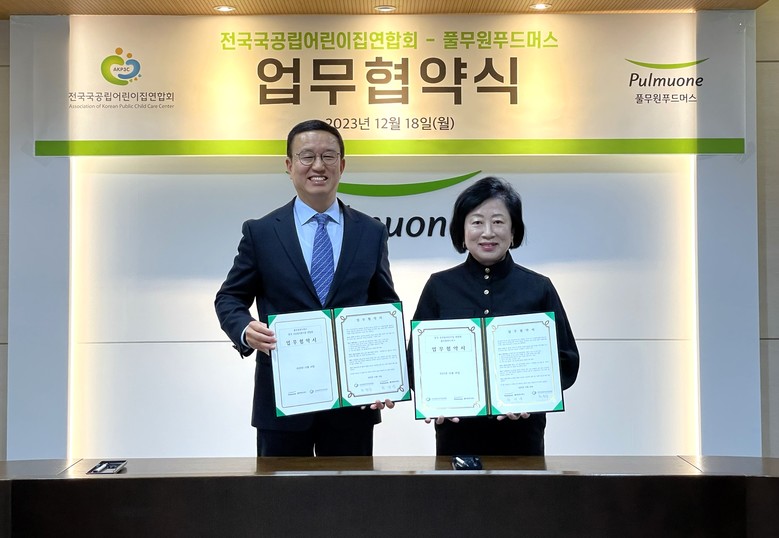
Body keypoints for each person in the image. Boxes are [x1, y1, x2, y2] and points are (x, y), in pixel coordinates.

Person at [215, 119, 399, 457]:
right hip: (282, 401)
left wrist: (386, 375)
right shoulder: (262, 232)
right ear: (289, 165)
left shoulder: (371, 232)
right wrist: (244, 329)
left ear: (342, 165)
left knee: (351, 490)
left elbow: (384, 304)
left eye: (329, 156)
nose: (318, 166)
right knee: (280, 491)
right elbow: (229, 297)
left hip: (352, 404)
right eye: (307, 156)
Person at [410, 176, 580, 456]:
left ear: (513, 232)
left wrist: (534, 396)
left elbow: (566, 360)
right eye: (477, 222)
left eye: (498, 222)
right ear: (461, 232)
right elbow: (415, 360)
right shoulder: (439, 287)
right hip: (457, 435)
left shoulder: (538, 287)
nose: (487, 232)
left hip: (522, 435)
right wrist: (432, 399)